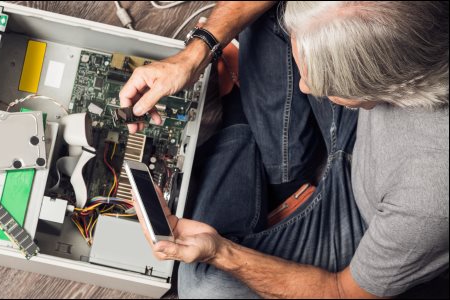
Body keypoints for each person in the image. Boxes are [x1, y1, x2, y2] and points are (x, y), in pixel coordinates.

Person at [120, 1, 449, 298]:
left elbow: (341, 291)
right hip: (361, 124)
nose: (304, 87)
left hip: (364, 216)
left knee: (202, 284)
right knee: (272, 16)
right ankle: (285, 172)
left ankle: (246, 122)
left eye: (319, 84)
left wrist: (218, 252)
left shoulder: (427, 201)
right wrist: (196, 53)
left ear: (387, 87)